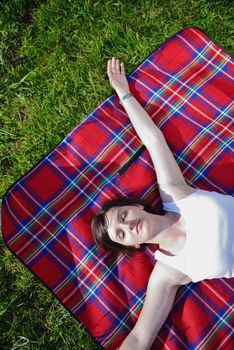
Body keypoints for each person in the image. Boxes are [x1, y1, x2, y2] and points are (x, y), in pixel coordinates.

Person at [91, 57, 234, 350]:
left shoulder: (174, 193)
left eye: (123, 215)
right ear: (131, 245)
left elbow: (153, 140)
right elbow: (140, 338)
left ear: (138, 206)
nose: (128, 225)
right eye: (122, 233)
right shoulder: (167, 274)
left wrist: (124, 94)